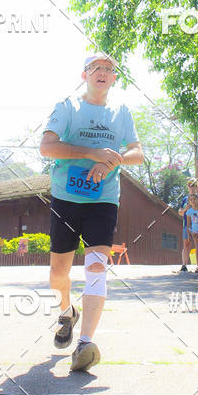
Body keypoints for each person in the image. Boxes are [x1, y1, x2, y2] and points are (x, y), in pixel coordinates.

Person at [40, 53, 143, 372]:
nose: (103, 72)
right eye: (96, 68)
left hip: (104, 198)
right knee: (59, 273)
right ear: (84, 75)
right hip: (66, 197)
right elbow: (47, 147)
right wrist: (90, 152)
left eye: (109, 69)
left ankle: (85, 344)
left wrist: (112, 160)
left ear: (115, 78)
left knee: (97, 266)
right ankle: (67, 310)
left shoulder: (122, 111)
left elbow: (137, 153)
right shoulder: (68, 107)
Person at [177, 179, 198, 272]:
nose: (192, 187)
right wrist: (186, 208)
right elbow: (180, 212)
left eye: (194, 185)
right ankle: (184, 265)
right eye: (190, 185)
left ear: (197, 187)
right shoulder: (185, 199)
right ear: (187, 187)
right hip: (187, 224)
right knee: (186, 244)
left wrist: (195, 206)